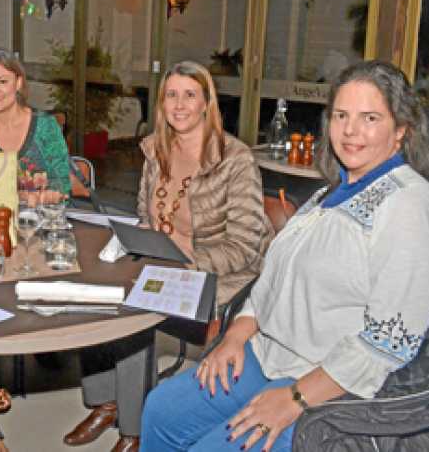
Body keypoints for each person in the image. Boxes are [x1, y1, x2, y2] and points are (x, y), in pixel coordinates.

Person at [140, 60, 429, 452]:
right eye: (341, 115)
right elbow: (272, 279)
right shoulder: (331, 192)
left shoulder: (408, 204)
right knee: (162, 410)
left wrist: (295, 399)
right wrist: (235, 335)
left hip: (330, 381)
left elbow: (388, 343)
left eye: (369, 117)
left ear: (401, 130)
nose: (351, 130)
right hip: (268, 352)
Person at [65, 61, 273, 452]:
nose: (179, 105)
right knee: (94, 294)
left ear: (207, 103)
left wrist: (185, 256)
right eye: (171, 95)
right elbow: (147, 216)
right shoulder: (155, 149)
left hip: (219, 275)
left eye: (190, 95)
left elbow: (244, 248)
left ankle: (134, 427)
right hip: (163, 260)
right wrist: (147, 239)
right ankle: (106, 401)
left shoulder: (235, 159)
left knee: (135, 313)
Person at [0, 47, 70, 199]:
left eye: (1, 81)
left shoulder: (46, 126)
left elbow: (62, 188)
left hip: (44, 220)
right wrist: (26, 198)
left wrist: (24, 199)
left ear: (18, 83)